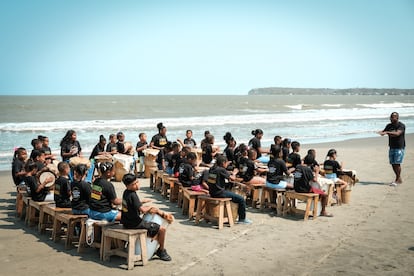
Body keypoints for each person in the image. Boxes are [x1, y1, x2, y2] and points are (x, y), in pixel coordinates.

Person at [121, 173, 173, 261]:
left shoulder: (126, 193)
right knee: (162, 230)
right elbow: (143, 210)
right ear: (128, 186)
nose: (137, 185)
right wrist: (151, 208)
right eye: (133, 184)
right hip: (134, 224)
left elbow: (134, 204)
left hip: (126, 221)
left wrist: (143, 202)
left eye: (137, 182)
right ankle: (161, 251)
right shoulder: (133, 194)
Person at [207, 155, 252, 224]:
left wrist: (228, 173)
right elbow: (233, 178)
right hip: (219, 193)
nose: (227, 164)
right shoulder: (221, 169)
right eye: (226, 163)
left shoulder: (212, 169)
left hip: (212, 192)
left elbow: (221, 175)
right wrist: (234, 173)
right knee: (241, 199)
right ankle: (242, 219)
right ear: (223, 163)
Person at [378, 112, 406, 186]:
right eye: (391, 117)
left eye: (393, 117)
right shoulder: (389, 126)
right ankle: (398, 179)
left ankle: (398, 179)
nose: (392, 118)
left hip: (399, 147)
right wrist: (381, 132)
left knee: (397, 163)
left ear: (397, 118)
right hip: (392, 146)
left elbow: (397, 134)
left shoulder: (401, 125)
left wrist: (387, 132)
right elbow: (383, 132)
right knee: (393, 163)